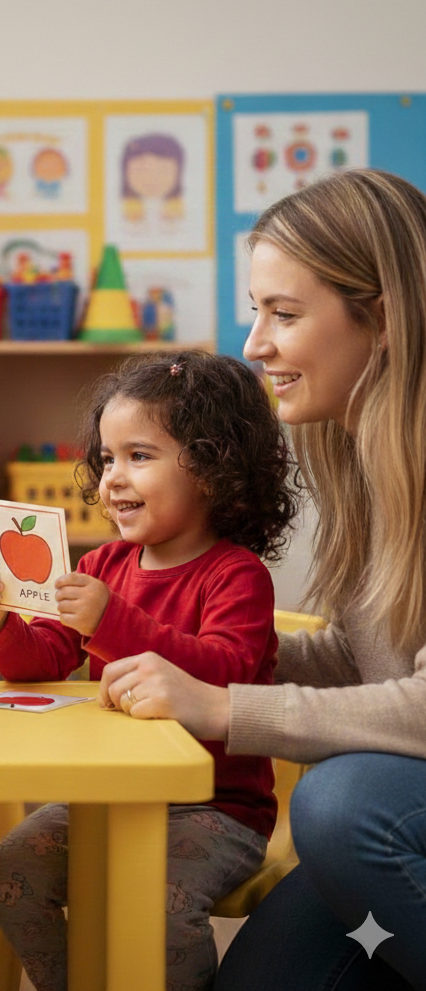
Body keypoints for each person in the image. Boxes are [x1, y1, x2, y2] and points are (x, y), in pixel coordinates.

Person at [94, 169, 426, 991]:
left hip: (385, 808)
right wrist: (212, 650)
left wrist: (221, 705)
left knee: (340, 804)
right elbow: (365, 659)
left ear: (380, 321)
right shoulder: (365, 463)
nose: (254, 344)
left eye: (283, 314)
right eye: (256, 310)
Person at [0, 348, 300, 991]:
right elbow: (43, 665)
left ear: (212, 466)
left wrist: (113, 621)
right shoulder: (100, 567)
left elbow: (227, 673)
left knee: (160, 904)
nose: (113, 477)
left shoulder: (237, 575)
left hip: (215, 808)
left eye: (139, 456)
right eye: (108, 457)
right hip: (105, 797)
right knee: (10, 872)